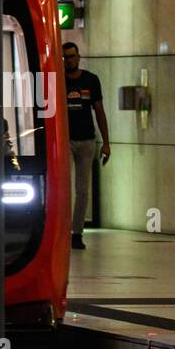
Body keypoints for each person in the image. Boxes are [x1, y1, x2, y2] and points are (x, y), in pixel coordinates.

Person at [62, 42, 110, 250]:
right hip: (65, 140)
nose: (69, 60)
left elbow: (99, 111)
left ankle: (76, 232)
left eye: (72, 56)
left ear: (79, 57)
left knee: (82, 189)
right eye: (65, 57)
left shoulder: (91, 80)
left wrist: (106, 142)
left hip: (86, 140)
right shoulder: (57, 80)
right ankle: (60, 230)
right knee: (62, 188)